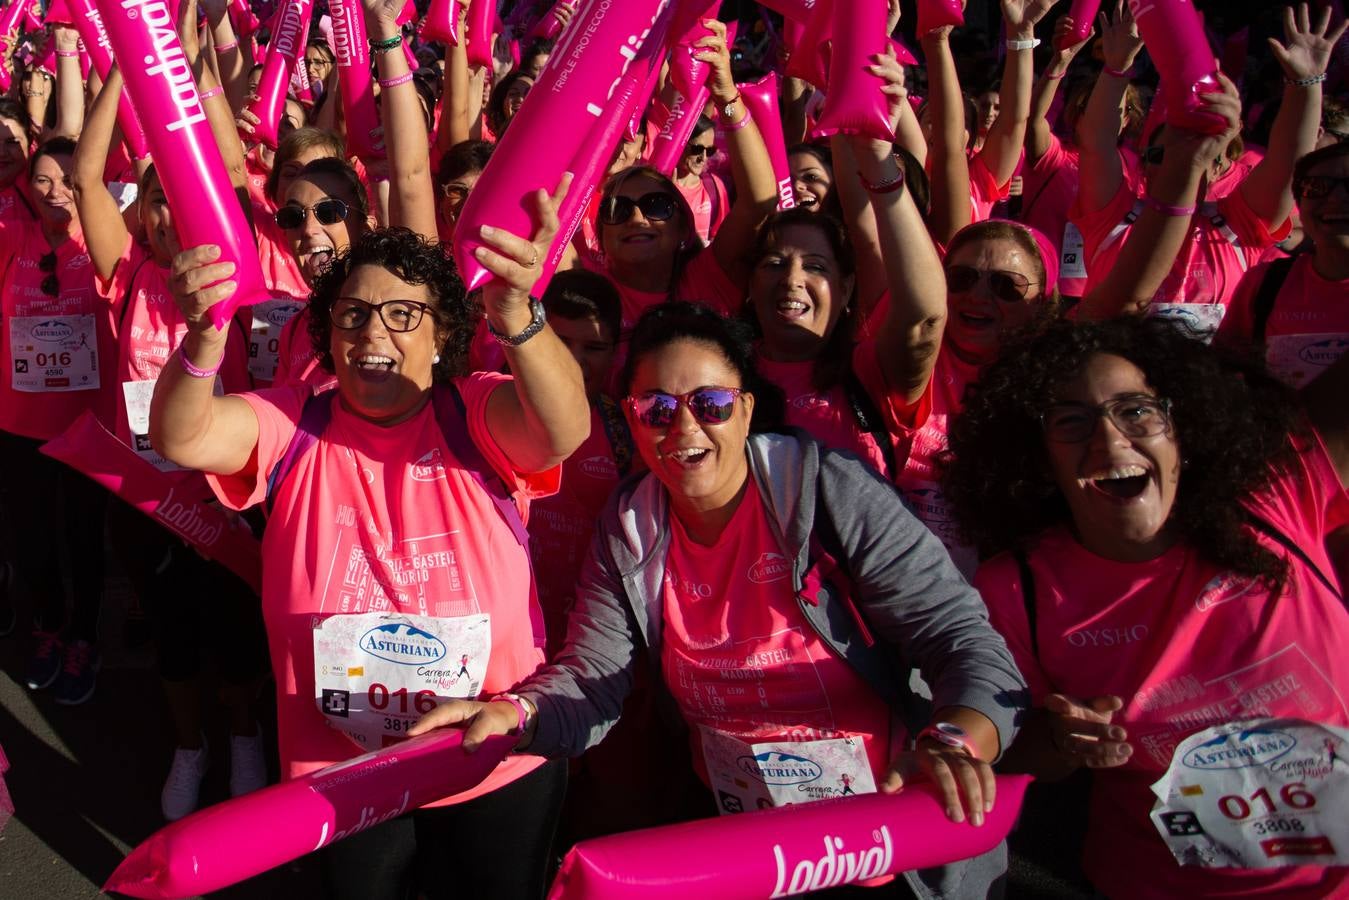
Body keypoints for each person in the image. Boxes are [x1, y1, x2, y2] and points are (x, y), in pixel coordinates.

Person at [411, 301, 1028, 900]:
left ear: (746, 408)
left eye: (711, 404)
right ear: (629, 417)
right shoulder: (629, 527)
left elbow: (962, 640)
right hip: (749, 847)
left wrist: (954, 741)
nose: (684, 428)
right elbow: (594, 675)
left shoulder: (828, 493)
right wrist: (518, 716)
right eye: (656, 408)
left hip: (890, 841)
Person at [151, 203, 589, 897]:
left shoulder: (474, 412)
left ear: (442, 333)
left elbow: (562, 429)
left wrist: (520, 319)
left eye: (402, 315)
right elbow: (184, 436)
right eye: (352, 315)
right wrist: (203, 338)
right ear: (326, 332)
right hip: (342, 769)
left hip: (491, 755)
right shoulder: (293, 421)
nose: (372, 332)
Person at [942, 315, 1349, 898]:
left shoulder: (1277, 497)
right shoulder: (1016, 587)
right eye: (1072, 422)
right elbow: (1014, 750)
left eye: (1136, 411)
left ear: (1184, 426)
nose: (1110, 442)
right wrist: (1061, 741)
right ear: (1039, 458)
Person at [1071, 2, 1339, 341]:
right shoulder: (1113, 219)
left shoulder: (1237, 228)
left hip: (1208, 391)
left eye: (1195, 154)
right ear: (1142, 168)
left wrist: (1305, 84)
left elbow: (1288, 164)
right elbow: (1097, 143)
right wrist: (1115, 69)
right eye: (1158, 155)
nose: (1174, 163)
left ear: (1217, 170)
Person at [0, 138, 114, 703]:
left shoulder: (104, 243)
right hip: (20, 423)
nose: (54, 191)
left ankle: (84, 638)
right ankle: (46, 628)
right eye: (42, 179)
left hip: (88, 426)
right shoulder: (10, 239)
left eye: (67, 179)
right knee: (33, 537)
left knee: (83, 538)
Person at [1218, 141, 1349, 387]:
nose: (1336, 199)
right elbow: (1223, 376)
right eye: (1316, 187)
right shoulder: (1267, 283)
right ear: (1299, 204)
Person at [673, 116, 729, 246]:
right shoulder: (658, 184)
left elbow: (722, 239)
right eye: (697, 149)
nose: (703, 158)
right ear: (680, 142)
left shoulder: (715, 186)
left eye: (709, 150)